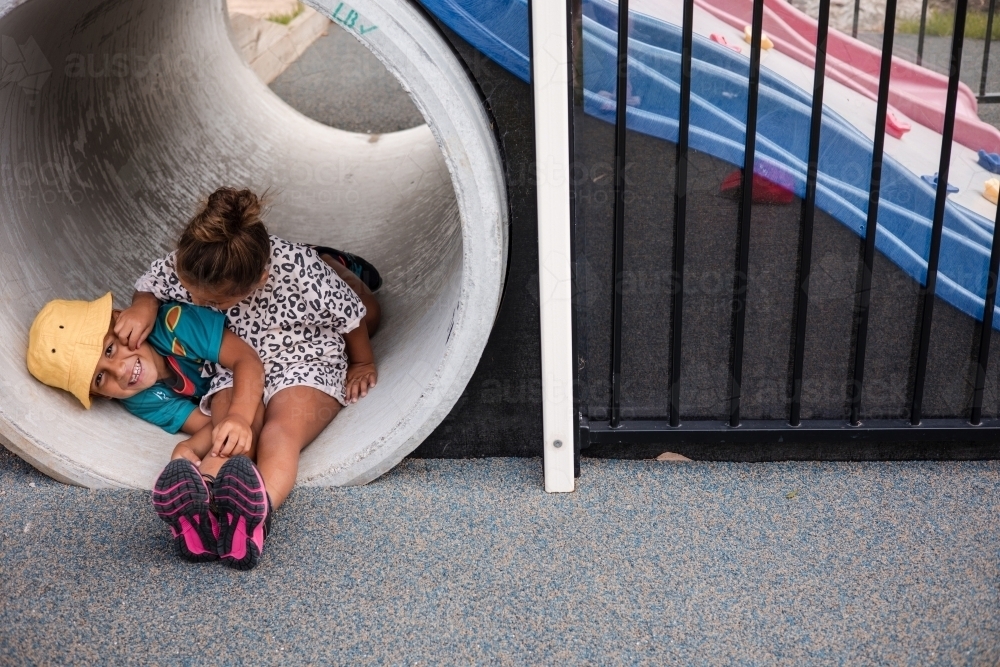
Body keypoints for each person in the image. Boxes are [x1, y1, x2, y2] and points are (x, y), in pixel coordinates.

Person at [115, 186, 382, 570]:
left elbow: (351, 315)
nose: (205, 306)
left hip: (306, 359)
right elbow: (152, 282)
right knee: (230, 430)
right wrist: (143, 306)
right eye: (198, 298)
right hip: (234, 369)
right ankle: (201, 509)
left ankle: (256, 513)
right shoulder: (196, 262)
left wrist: (361, 363)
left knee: (278, 434)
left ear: (260, 278)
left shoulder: (300, 268)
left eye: (216, 303)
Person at [26, 293, 266, 563]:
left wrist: (238, 418)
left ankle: (208, 493)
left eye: (109, 350)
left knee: (228, 397)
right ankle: (220, 520)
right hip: (236, 409)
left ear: (120, 320)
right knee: (229, 414)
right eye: (101, 378)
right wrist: (188, 446)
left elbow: (247, 360)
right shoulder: (139, 399)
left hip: (265, 367)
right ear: (101, 395)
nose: (120, 371)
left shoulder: (174, 325)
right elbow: (211, 424)